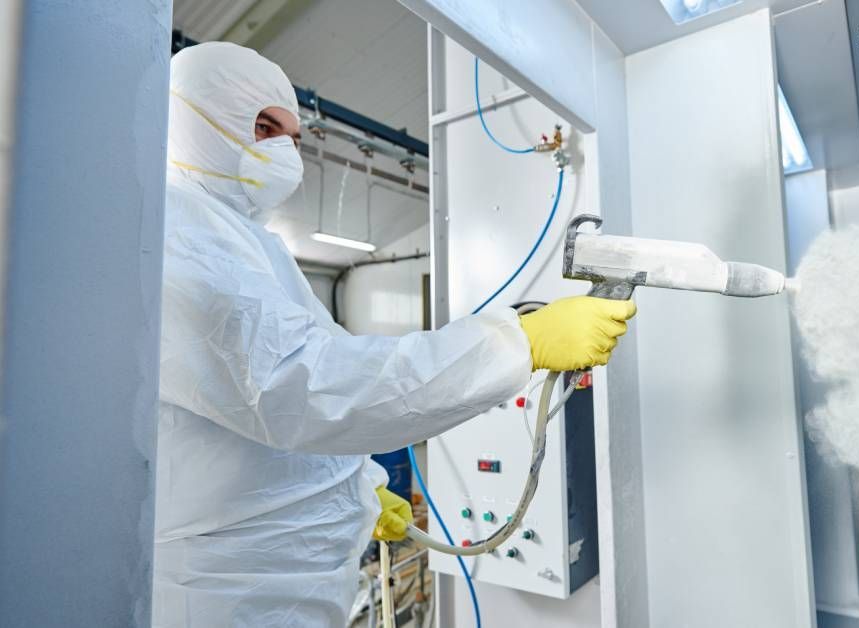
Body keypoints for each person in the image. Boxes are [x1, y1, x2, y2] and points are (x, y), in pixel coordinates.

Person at [154, 42, 635, 627]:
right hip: (226, 595)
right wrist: (517, 342)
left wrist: (361, 488)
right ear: (187, 118)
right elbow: (304, 386)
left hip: (282, 582)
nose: (284, 151)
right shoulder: (175, 233)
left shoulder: (248, 242)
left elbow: (278, 411)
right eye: (262, 126)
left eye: (293, 137)